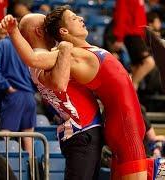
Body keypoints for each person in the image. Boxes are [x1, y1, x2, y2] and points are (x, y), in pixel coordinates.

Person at [0, 6, 147, 180]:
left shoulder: (73, 52)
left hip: (118, 124)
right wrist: (13, 31)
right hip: (117, 127)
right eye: (74, 18)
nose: (80, 19)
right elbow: (37, 63)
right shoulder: (65, 54)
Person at [10, 13, 103, 180]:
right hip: (81, 132)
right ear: (40, 31)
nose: (53, 29)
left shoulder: (48, 55)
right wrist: (66, 47)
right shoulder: (43, 58)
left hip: (83, 132)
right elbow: (60, 84)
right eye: (48, 25)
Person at [0, 31, 37, 157]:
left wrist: (6, 86)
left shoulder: (3, 44)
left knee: (6, 134)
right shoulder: (28, 47)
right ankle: (32, 172)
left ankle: (8, 171)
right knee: (28, 137)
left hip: (14, 96)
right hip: (30, 97)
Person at [113, 0, 156, 90]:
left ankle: (131, 94)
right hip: (131, 34)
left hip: (138, 35)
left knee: (137, 68)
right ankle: (130, 88)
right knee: (149, 62)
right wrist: (119, 37)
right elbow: (121, 14)